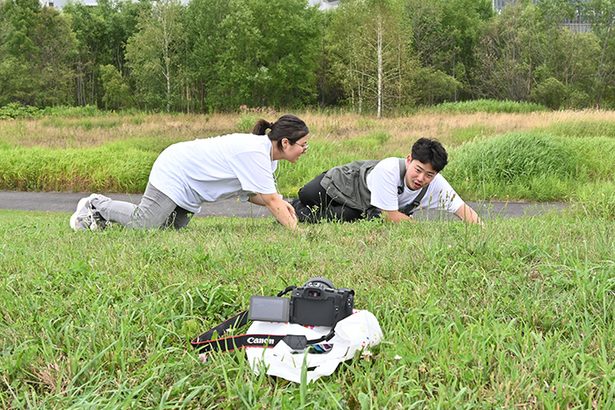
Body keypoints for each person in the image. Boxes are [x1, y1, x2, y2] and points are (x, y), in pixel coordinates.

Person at [70, 114, 309, 231]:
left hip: (191, 189)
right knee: (145, 223)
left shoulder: (269, 160)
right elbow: (269, 200)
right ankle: (96, 204)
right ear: (286, 143)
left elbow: (255, 195)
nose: (305, 150)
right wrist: (295, 233)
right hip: (176, 169)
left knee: (166, 231)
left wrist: (281, 203)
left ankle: (99, 218)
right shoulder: (255, 153)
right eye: (303, 144)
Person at [292, 137, 481, 224]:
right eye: (418, 170)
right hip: (349, 182)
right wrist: (416, 227)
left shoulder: (436, 183)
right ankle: (297, 204)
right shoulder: (390, 168)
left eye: (429, 175)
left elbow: (463, 210)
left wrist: (480, 229)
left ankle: (297, 213)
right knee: (307, 194)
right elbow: (392, 217)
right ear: (409, 160)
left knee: (345, 216)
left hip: (366, 205)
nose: (421, 178)